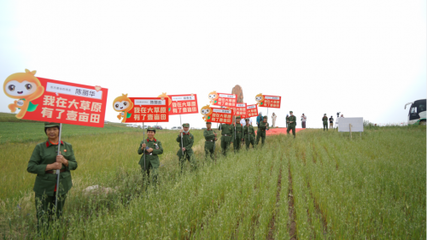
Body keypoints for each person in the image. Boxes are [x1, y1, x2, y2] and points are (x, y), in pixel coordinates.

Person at [27, 122, 78, 232]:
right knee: (42, 214)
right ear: (45, 131)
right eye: (48, 129)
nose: (51, 131)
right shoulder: (40, 147)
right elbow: (31, 167)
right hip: (44, 186)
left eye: (54, 129)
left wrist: (64, 161)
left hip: (62, 185)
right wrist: (50, 166)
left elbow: (74, 165)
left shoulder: (67, 146)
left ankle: (56, 233)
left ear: (59, 130)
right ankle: (43, 234)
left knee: (58, 213)